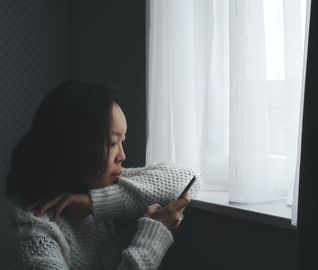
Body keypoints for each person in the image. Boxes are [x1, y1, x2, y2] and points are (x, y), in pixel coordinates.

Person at [6, 81, 200, 269]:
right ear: (74, 146)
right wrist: (153, 239)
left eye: (122, 142)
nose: (122, 156)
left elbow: (187, 177)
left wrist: (94, 203)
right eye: (112, 143)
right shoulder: (32, 227)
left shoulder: (93, 190)